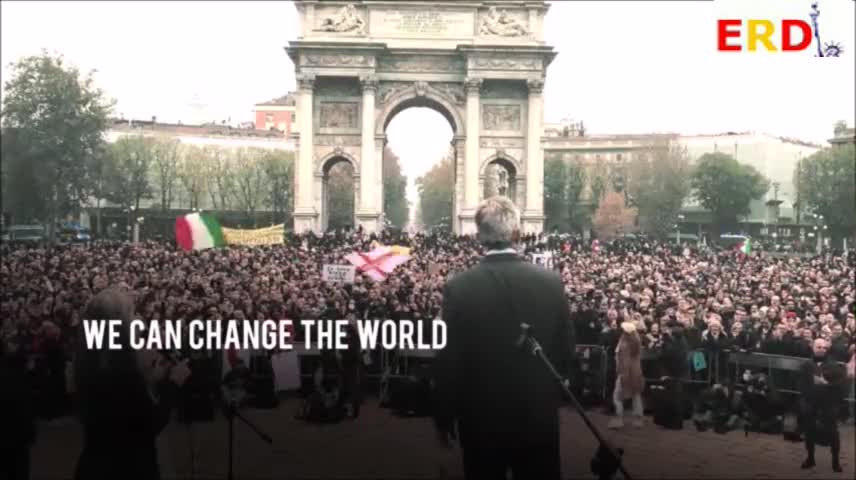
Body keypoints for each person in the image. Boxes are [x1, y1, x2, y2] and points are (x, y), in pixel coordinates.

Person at [433, 196, 576, 480]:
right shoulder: (551, 282)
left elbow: (448, 359)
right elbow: (566, 352)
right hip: (537, 416)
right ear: (517, 233)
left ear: (479, 236)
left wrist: (444, 415)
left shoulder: (459, 287)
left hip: (481, 418)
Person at [73, 287, 191, 480]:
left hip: (95, 462)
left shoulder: (88, 358)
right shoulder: (121, 369)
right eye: (131, 312)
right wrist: (173, 383)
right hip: (129, 466)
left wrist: (150, 378)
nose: (136, 318)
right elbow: (150, 425)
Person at [798, 338, 846, 472]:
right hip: (811, 404)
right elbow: (801, 384)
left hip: (828, 405)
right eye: (819, 347)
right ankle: (810, 458)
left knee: (833, 434)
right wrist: (806, 398)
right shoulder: (806, 365)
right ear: (812, 347)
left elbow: (841, 386)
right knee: (809, 432)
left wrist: (827, 385)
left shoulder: (834, 365)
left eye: (824, 347)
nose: (822, 349)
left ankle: (835, 461)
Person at [608, 321, 645, 429]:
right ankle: (638, 419)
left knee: (617, 396)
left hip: (625, 372)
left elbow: (623, 360)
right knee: (636, 394)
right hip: (636, 371)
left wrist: (622, 373)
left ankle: (618, 419)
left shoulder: (624, 344)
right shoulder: (637, 341)